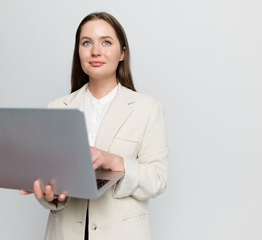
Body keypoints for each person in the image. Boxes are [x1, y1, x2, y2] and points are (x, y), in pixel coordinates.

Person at [21, 12, 168, 240]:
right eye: (86, 42)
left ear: (122, 53)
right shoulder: (57, 108)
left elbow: (157, 180)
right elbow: (52, 179)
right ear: (78, 51)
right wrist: (49, 195)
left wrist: (114, 161)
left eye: (106, 42)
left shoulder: (146, 108)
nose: (95, 51)